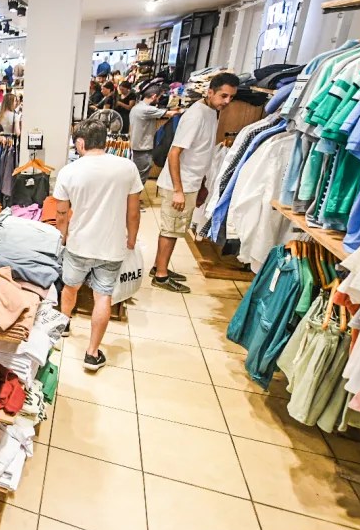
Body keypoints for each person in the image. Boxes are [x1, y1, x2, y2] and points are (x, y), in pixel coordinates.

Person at [54, 119, 143, 371]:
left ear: (81, 143)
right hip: (111, 246)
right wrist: (132, 238)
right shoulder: (127, 168)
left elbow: (61, 214)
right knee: (103, 296)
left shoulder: (69, 171)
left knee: (70, 287)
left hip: (79, 244)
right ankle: (92, 353)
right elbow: (133, 212)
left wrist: (62, 237)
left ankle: (63, 324)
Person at [152, 72, 239, 293]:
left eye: (231, 97)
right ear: (210, 92)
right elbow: (174, 153)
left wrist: (201, 184)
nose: (227, 101)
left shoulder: (212, 112)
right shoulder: (196, 115)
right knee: (171, 230)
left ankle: (159, 267)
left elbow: (202, 152)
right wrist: (178, 190)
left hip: (191, 182)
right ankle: (161, 276)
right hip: (180, 184)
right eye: (223, 96)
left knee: (175, 229)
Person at [128, 87, 180, 185]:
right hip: (143, 149)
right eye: (159, 98)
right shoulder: (147, 109)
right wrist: (184, 111)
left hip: (137, 147)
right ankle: (134, 195)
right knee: (140, 179)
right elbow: (171, 114)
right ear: (154, 96)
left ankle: (133, 194)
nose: (159, 100)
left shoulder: (137, 107)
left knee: (137, 176)